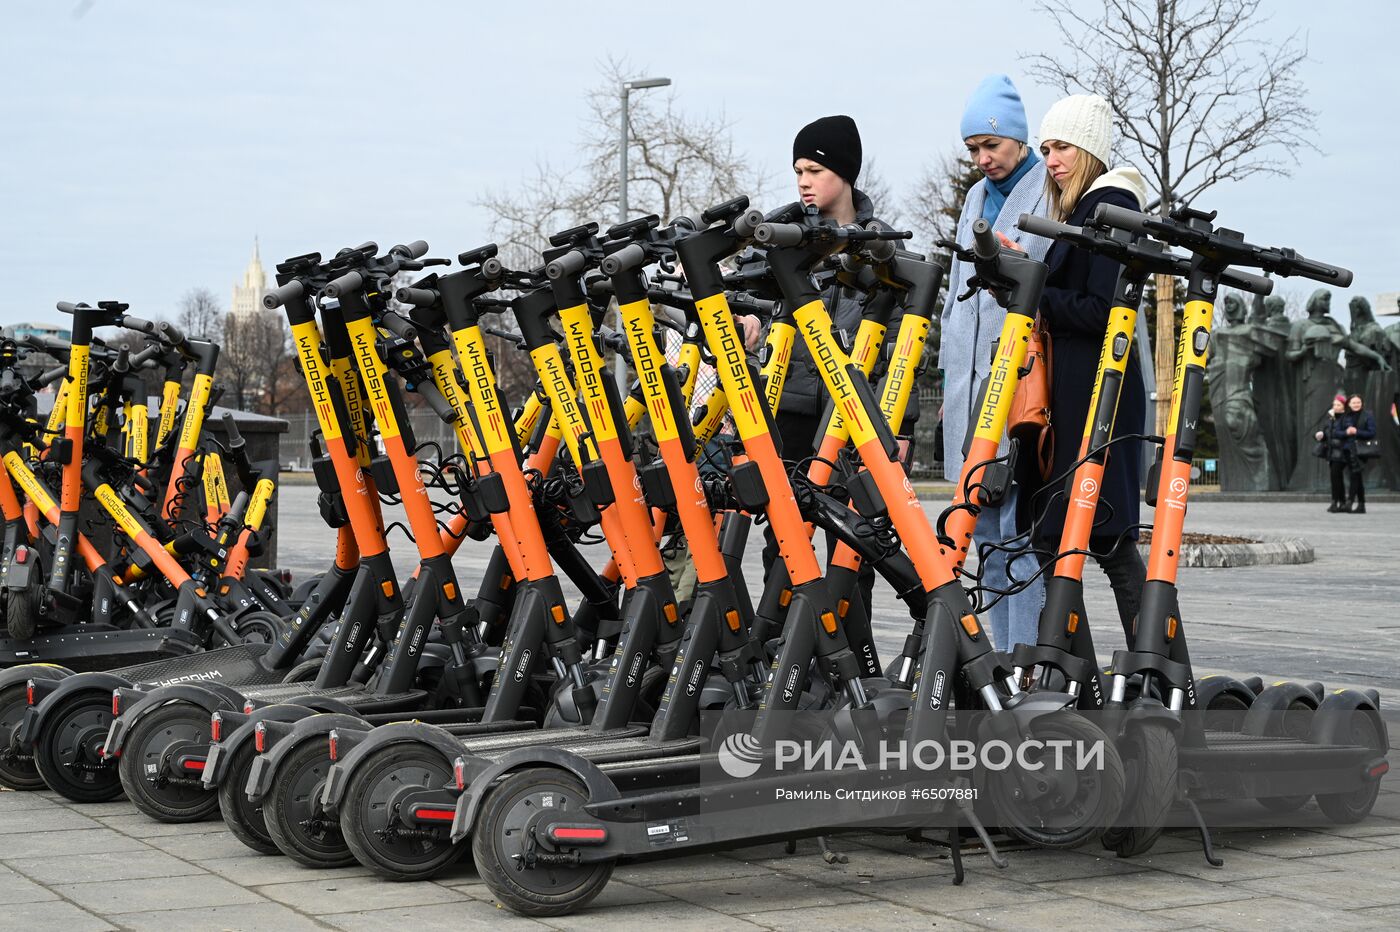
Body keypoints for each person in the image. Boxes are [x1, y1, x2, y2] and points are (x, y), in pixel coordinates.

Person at [748, 115, 912, 619]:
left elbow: (905, 341)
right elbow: (748, 293)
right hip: (791, 410)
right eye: (797, 169)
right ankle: (780, 644)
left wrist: (901, 424)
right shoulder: (783, 235)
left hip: (854, 416)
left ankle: (847, 651)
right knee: (786, 537)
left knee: (854, 544)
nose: (802, 180)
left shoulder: (881, 242)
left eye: (814, 169)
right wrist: (745, 318)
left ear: (844, 173)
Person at [1002, 93, 1150, 644]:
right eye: (1044, 148)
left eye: (1061, 146)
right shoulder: (1086, 211)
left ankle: (1149, 675)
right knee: (1061, 542)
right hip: (1078, 399)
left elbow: (1104, 310)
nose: (1051, 159)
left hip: (1096, 400)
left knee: (1104, 543)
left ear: (1089, 148)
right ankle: (1097, 674)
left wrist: (1035, 295)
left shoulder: (1112, 207)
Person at [939, 74, 1051, 651]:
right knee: (979, 528)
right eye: (973, 150)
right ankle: (991, 653)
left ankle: (1020, 657)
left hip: (1018, 385)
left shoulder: (1050, 192)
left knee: (1016, 530)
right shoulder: (975, 199)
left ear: (1020, 140)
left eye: (992, 146)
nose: (984, 160)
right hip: (968, 385)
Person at [1318, 394, 1376, 513]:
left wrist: (1356, 431)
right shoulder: (1346, 416)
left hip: (1360, 450)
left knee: (1356, 475)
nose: (1356, 405)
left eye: (1358, 402)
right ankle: (1356, 504)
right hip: (1347, 449)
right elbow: (1337, 432)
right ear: (1349, 404)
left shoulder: (1367, 415)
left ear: (1362, 403)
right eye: (1354, 403)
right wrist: (1346, 432)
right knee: (1355, 477)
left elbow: (1372, 432)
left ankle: (1352, 502)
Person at [1316, 396, 1351, 512]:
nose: (1335, 407)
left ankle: (1335, 502)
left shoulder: (1346, 418)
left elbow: (1345, 433)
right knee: (1337, 478)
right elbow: (1327, 433)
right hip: (1332, 451)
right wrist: (1321, 436)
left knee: (1335, 476)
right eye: (1334, 405)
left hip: (1342, 451)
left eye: (1338, 405)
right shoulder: (1330, 419)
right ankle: (1341, 502)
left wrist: (1334, 431)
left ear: (1343, 407)